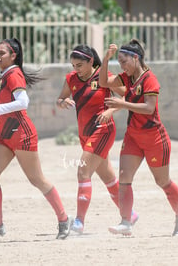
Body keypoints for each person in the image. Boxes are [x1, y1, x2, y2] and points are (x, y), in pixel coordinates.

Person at [0, 38, 72, 239]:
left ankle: (64, 219)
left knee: (36, 179)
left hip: (22, 134)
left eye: (2, 53)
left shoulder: (14, 74)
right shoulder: (5, 75)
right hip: (6, 133)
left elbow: (22, 102)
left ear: (13, 56)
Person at [99, 39, 178, 236]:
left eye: (124, 61)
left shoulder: (150, 79)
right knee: (124, 178)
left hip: (155, 138)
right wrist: (105, 59)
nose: (121, 66)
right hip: (133, 136)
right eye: (119, 62)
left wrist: (122, 105)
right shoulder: (127, 78)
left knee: (162, 182)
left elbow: (149, 109)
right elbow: (104, 82)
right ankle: (126, 222)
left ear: (135, 58)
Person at [56, 44, 139, 234]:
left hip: (103, 130)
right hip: (85, 134)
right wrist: (62, 102)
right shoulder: (71, 79)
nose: (75, 69)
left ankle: (79, 222)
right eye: (73, 65)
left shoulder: (103, 76)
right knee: (108, 178)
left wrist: (111, 110)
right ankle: (130, 214)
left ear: (90, 61)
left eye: (79, 65)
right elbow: (59, 99)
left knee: (82, 171)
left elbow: (130, 96)